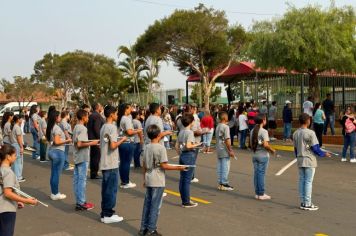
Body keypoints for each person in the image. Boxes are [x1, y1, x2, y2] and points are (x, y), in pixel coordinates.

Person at [138, 124, 186, 236]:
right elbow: (164, 166)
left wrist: (144, 178)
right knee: (155, 205)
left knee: (147, 204)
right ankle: (151, 229)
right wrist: (179, 167)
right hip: (157, 179)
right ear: (159, 134)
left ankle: (143, 228)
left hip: (149, 177)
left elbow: (144, 165)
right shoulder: (160, 148)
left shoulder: (146, 147)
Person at [293, 113, 331, 211]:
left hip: (300, 159)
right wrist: (324, 154)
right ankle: (308, 203)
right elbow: (315, 148)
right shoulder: (311, 133)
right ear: (308, 121)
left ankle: (303, 202)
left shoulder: (295, 133)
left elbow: (296, 148)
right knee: (308, 181)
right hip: (309, 160)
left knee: (302, 180)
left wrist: (298, 156)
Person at [0, 144, 38, 236]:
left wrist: (17, 201)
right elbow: (8, 193)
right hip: (6, 209)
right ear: (8, 156)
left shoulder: (2, 170)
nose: (16, 157)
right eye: (14, 155)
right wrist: (26, 200)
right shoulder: (8, 172)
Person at [99, 105, 127, 224]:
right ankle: (108, 214)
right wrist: (122, 140)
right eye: (115, 113)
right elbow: (113, 145)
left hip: (105, 161)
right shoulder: (112, 127)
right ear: (111, 114)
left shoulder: (104, 126)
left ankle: (105, 213)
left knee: (106, 189)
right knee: (111, 189)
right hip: (111, 163)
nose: (117, 115)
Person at [72, 109, 100, 211]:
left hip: (77, 157)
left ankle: (79, 201)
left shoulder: (76, 127)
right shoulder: (83, 128)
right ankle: (81, 202)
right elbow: (80, 144)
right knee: (81, 181)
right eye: (87, 116)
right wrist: (93, 143)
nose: (88, 118)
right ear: (83, 117)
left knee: (77, 180)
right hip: (82, 157)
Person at [175, 113, 201, 208]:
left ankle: (184, 199)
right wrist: (197, 145)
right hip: (189, 156)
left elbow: (176, 146)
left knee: (182, 179)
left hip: (182, 156)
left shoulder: (181, 132)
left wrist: (180, 154)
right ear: (191, 122)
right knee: (187, 180)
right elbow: (189, 146)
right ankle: (186, 201)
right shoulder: (189, 132)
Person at [46, 111, 72, 200]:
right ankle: (55, 193)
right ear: (56, 118)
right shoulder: (56, 128)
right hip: (58, 152)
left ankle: (54, 192)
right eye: (59, 117)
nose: (60, 118)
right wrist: (67, 141)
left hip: (52, 151)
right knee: (56, 174)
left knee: (54, 174)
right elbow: (57, 142)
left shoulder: (50, 127)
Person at [250, 114, 276, 200]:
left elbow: (251, 144)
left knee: (256, 174)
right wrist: (272, 150)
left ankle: (257, 193)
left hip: (255, 154)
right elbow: (265, 144)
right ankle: (261, 193)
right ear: (263, 120)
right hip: (263, 155)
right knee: (261, 174)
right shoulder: (264, 131)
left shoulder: (252, 131)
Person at [117, 103, 142, 189]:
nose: (131, 109)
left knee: (123, 163)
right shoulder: (126, 119)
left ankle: (124, 181)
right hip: (127, 142)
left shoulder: (121, 118)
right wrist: (137, 130)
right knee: (126, 163)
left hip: (122, 142)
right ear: (125, 109)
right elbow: (129, 132)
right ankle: (126, 181)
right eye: (129, 108)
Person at [215, 111, 235, 191]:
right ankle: (224, 183)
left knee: (220, 166)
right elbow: (227, 139)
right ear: (225, 118)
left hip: (219, 148)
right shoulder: (225, 127)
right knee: (225, 166)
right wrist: (230, 150)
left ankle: (220, 183)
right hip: (224, 148)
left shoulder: (218, 126)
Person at [87, 103, 105, 179]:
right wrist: (100, 139)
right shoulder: (97, 116)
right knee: (96, 157)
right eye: (101, 106)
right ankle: (94, 173)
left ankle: (93, 173)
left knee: (93, 156)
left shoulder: (92, 115)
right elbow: (96, 129)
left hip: (92, 138)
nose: (102, 107)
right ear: (97, 107)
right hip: (96, 139)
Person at [10, 115, 25, 183]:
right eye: (21, 119)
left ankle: (15, 176)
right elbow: (19, 139)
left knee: (15, 161)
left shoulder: (14, 126)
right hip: (17, 145)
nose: (22, 120)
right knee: (19, 161)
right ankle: (18, 177)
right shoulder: (17, 127)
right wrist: (21, 147)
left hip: (13, 144)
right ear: (18, 119)